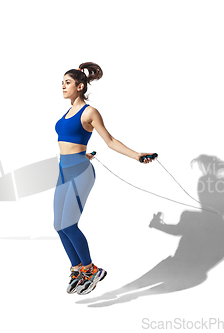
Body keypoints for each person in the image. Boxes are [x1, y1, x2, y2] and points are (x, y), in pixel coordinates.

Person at [54, 62, 155, 295]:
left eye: (67, 83)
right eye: (62, 83)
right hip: (64, 171)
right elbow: (72, 140)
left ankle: (91, 270)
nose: (62, 86)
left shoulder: (89, 112)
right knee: (59, 226)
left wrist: (136, 155)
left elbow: (110, 141)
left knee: (69, 223)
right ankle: (78, 269)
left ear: (80, 86)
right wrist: (82, 153)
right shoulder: (67, 112)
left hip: (80, 173)